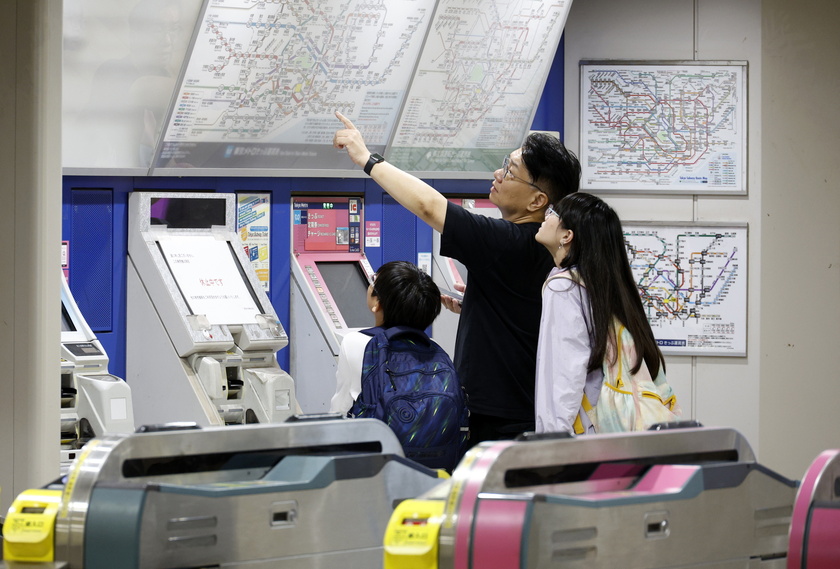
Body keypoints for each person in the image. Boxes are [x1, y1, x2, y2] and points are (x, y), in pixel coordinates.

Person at [333, 112, 581, 445]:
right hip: (527, 408)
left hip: (499, 420)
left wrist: (367, 158)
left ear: (538, 200)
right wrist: (483, 306)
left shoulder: (508, 241)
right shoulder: (545, 246)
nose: (498, 174)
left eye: (510, 172)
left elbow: (429, 206)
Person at [534, 192, 679, 433]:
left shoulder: (564, 287)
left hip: (579, 440)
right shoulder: (608, 289)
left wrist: (550, 444)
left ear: (567, 236)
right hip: (614, 435)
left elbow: (562, 378)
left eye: (553, 213)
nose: (546, 216)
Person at [330, 260, 442, 414]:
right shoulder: (434, 347)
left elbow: (341, 406)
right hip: (429, 436)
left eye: (373, 281)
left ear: (377, 303)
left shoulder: (356, 343)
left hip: (377, 436)